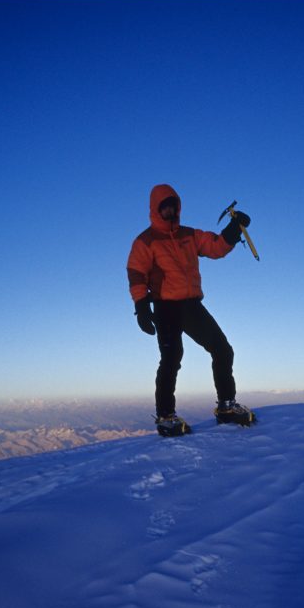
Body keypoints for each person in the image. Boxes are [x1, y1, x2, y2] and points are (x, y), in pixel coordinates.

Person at [127, 184, 256, 437]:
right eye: (164, 206)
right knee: (171, 359)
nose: (170, 210)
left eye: (173, 205)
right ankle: (166, 417)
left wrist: (233, 228)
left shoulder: (189, 235)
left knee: (222, 349)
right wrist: (141, 307)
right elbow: (136, 273)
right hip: (165, 306)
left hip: (190, 305)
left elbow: (215, 247)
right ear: (155, 209)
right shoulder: (146, 240)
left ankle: (226, 407)